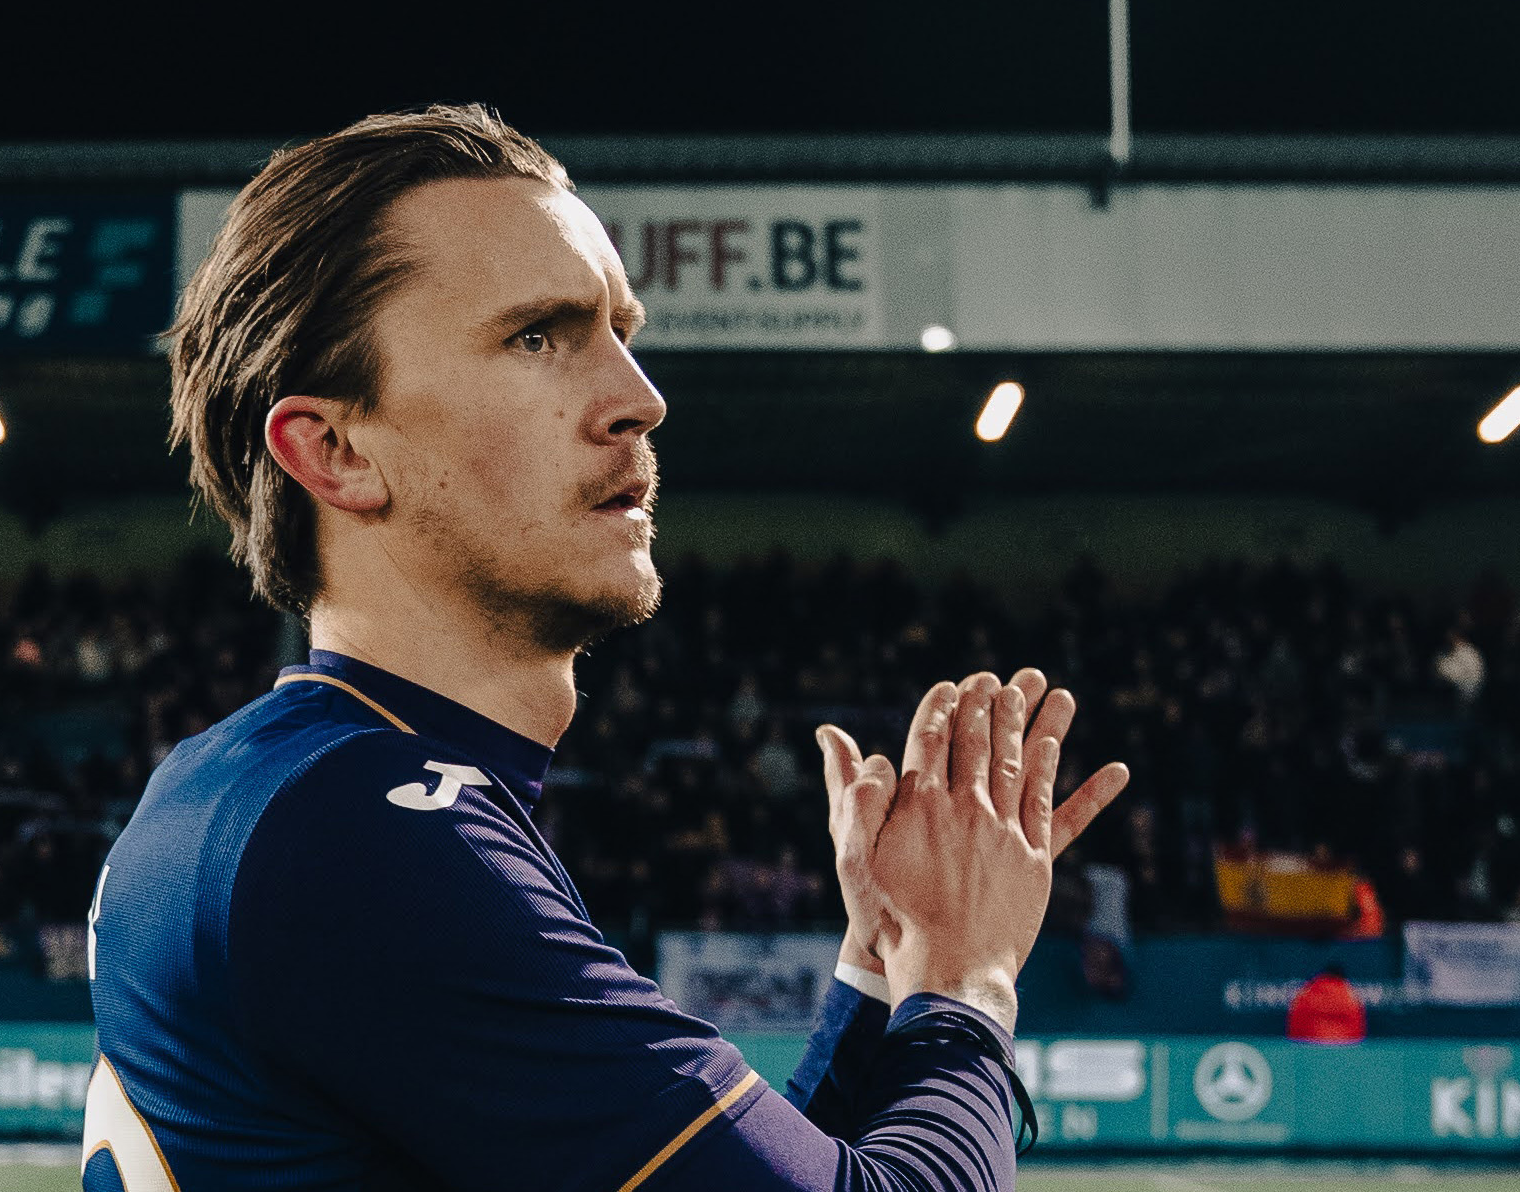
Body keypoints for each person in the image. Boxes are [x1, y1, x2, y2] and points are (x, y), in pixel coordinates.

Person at [82, 105, 1130, 1192]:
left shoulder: (257, 784)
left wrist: (881, 961)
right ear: (336, 449)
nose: (640, 398)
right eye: (536, 336)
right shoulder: (361, 836)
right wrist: (965, 979)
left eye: (620, 332)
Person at [1286, 962, 1367, 1044]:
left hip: (1308, 1044)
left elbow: (1296, 1023)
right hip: (1343, 1045)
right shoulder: (1349, 996)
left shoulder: (1307, 993)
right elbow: (1357, 1028)